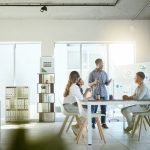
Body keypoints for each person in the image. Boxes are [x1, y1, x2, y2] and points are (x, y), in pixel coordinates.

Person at [63, 71, 91, 135]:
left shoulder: (71, 86)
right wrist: (87, 98)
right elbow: (81, 99)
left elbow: (80, 98)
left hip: (67, 106)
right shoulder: (74, 87)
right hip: (69, 107)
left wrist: (85, 98)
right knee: (88, 111)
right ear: (77, 78)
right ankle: (77, 126)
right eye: (79, 78)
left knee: (87, 110)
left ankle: (77, 126)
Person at [89, 58, 111, 129]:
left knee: (103, 109)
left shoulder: (104, 73)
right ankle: (92, 123)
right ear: (97, 64)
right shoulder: (92, 73)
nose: (102, 65)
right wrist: (94, 82)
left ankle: (103, 123)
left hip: (104, 93)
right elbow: (89, 84)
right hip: (95, 93)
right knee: (94, 109)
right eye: (101, 64)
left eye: (102, 64)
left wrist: (108, 82)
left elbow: (106, 83)